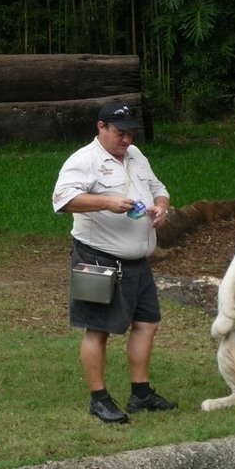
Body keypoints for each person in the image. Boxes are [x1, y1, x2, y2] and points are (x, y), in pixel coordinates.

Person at [52, 101, 177, 424]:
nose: (126, 140)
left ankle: (141, 393)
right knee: (98, 330)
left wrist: (161, 206)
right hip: (99, 260)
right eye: (120, 133)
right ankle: (99, 399)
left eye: (131, 133)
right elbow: (62, 199)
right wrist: (107, 202)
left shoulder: (135, 156)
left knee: (147, 323)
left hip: (138, 262)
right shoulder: (85, 160)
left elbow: (157, 188)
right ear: (101, 128)